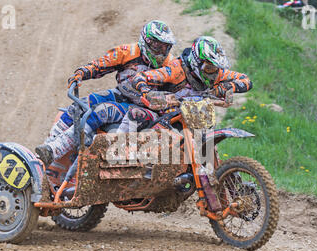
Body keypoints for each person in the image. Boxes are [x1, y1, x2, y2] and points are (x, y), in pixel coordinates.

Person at [35, 20, 176, 167]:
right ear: (146, 41)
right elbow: (101, 64)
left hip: (146, 108)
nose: (161, 51)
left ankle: (57, 150)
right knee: (80, 105)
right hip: (122, 94)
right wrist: (82, 72)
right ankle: (47, 149)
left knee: (101, 111)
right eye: (157, 46)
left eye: (166, 47)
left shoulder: (171, 65)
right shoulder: (127, 52)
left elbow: (180, 88)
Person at [116, 36, 253, 133]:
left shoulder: (217, 73)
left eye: (216, 68)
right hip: (164, 116)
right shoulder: (176, 69)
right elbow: (140, 77)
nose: (213, 73)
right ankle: (116, 152)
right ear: (196, 62)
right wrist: (148, 92)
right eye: (209, 68)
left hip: (195, 116)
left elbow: (246, 80)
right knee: (135, 114)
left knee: (208, 143)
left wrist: (227, 87)